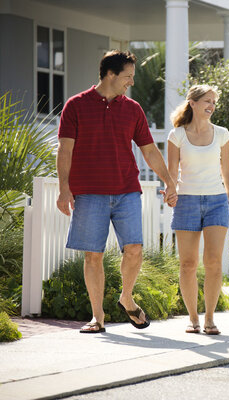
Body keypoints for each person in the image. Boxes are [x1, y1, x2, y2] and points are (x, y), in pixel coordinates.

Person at [56, 50, 178, 333]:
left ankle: (126, 297)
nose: (131, 82)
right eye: (128, 76)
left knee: (134, 249)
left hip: (126, 191)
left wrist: (169, 181)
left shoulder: (133, 109)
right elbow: (65, 150)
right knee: (93, 256)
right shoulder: (76, 105)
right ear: (110, 74)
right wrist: (65, 189)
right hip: (89, 193)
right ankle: (97, 318)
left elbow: (149, 150)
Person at [167, 84, 229, 335]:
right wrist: (170, 190)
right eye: (206, 101)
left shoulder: (222, 134)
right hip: (186, 201)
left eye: (214, 102)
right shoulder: (176, 135)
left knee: (213, 262)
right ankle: (193, 318)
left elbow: (228, 171)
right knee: (188, 264)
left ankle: (210, 317)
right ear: (193, 103)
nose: (211, 106)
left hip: (216, 201)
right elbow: (172, 172)